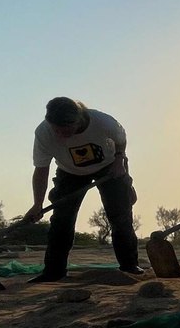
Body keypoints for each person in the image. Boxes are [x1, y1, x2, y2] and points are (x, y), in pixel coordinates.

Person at [24, 97, 142, 283]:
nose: (60, 135)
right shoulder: (44, 133)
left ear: (78, 120)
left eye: (65, 130)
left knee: (120, 215)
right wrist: (37, 203)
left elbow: (121, 139)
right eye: (56, 130)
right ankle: (54, 272)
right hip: (69, 171)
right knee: (62, 220)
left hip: (109, 166)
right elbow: (41, 169)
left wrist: (119, 160)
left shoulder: (103, 122)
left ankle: (129, 266)